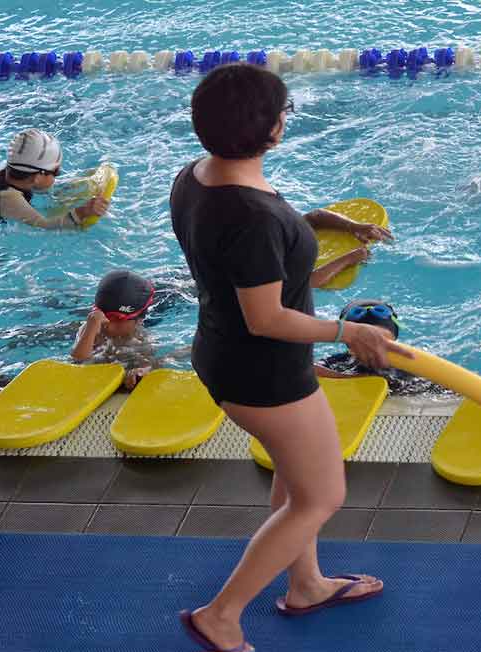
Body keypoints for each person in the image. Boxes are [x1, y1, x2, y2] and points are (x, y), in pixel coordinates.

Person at [170, 63, 409, 652]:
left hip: (225, 350)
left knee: (297, 482)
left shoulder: (198, 178)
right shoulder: (250, 215)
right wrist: (345, 330)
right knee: (322, 496)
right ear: (273, 129)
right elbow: (268, 317)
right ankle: (221, 615)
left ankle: (306, 583)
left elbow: (256, 250)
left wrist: (326, 225)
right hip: (265, 372)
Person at [0, 128, 110, 245]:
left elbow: (47, 190)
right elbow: (45, 225)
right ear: (37, 177)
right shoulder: (10, 198)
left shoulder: (9, 169)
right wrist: (83, 212)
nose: (58, 176)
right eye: (56, 172)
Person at [315, 299, 429, 393]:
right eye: (364, 342)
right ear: (348, 342)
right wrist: (348, 379)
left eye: (382, 340)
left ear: (394, 340)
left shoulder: (410, 363)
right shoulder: (341, 362)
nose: (373, 347)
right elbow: (307, 370)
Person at [69, 270, 157, 389]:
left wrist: (140, 372)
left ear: (139, 320)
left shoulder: (139, 337)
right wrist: (92, 325)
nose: (106, 323)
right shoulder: (92, 326)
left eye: (116, 318)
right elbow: (77, 361)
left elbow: (150, 364)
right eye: (102, 314)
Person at [304, 211, 392, 288]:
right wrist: (348, 259)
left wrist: (355, 227)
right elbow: (305, 283)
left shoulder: (291, 226)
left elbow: (314, 216)